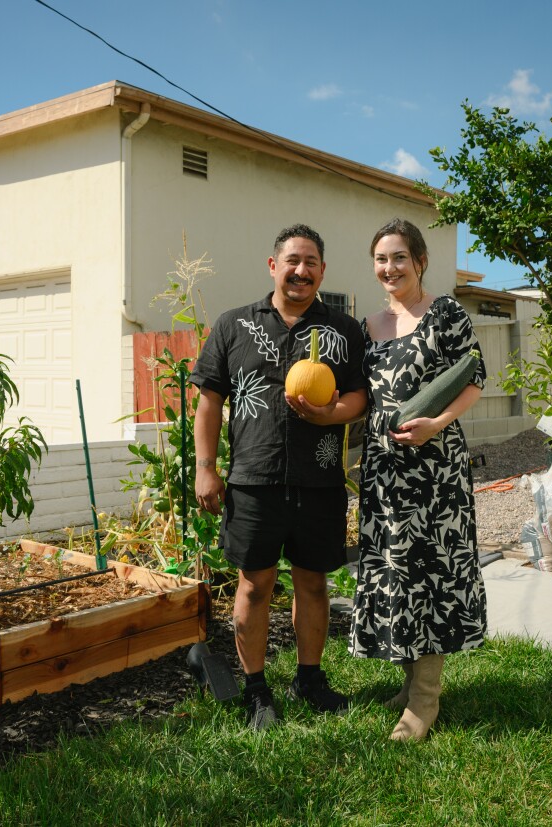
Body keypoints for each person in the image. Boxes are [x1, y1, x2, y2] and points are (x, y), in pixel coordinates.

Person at [192, 224, 367, 730]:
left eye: (311, 261)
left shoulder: (343, 330)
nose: (301, 270)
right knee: (254, 586)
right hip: (253, 480)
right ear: (273, 266)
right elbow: (208, 403)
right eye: (292, 260)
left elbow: (358, 396)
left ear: (322, 271)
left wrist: (330, 416)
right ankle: (256, 690)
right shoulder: (233, 325)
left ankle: (309, 679)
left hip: (320, 483)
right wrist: (208, 469)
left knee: (314, 585)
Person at [348, 217, 488, 741]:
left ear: (420, 261)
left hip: (434, 467)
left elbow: (473, 377)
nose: (390, 268)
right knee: (397, 573)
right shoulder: (369, 326)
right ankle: (410, 684)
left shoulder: (446, 313)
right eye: (381, 259)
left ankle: (425, 700)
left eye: (400, 257)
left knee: (430, 572)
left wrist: (437, 423)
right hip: (385, 469)